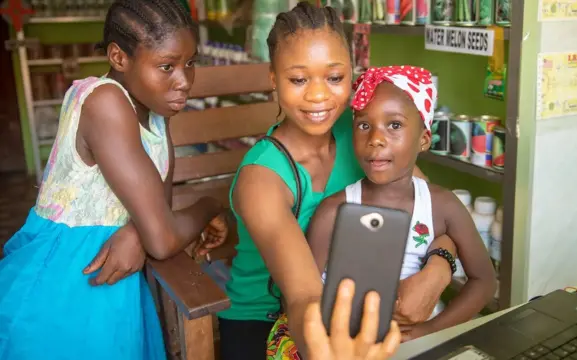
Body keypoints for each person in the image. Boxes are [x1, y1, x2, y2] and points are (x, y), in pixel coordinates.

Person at [217, 3, 456, 359]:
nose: (318, 95)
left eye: (334, 77)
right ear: (273, 78)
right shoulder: (261, 179)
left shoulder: (361, 132)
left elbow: (430, 207)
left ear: (352, 73)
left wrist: (438, 269)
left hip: (356, 310)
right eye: (298, 79)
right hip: (267, 322)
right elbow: (303, 296)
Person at [0, 1, 225, 359]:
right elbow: (164, 237)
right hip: (68, 282)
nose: (184, 81)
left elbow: (156, 213)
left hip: (114, 280)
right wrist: (212, 205)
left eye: (190, 63)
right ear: (119, 58)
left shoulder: (154, 113)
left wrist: (140, 230)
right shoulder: (104, 101)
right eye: (167, 66)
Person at [308, 66, 498, 343]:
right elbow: (305, 297)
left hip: (416, 344)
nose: (375, 138)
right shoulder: (332, 212)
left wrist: (431, 330)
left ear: (423, 139)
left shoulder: (442, 205)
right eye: (364, 125)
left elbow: (484, 281)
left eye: (394, 125)